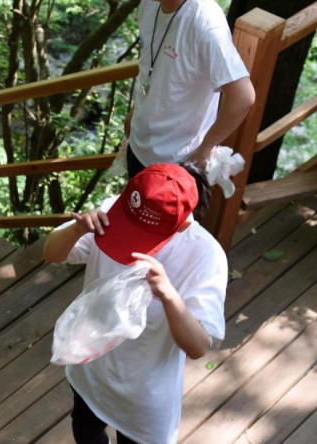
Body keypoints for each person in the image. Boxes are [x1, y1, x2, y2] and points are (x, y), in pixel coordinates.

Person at [43, 163, 227, 443]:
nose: (133, 241)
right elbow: (52, 254)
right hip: (90, 369)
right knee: (86, 431)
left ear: (184, 220)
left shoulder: (205, 255)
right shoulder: (117, 211)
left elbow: (198, 346)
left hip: (143, 398)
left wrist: (168, 294)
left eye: (146, 233)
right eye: (131, 226)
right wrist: (77, 230)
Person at [122, 0, 255, 179]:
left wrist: (206, 148)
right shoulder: (151, 1)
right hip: (139, 147)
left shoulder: (206, 26)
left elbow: (243, 97)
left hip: (177, 163)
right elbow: (151, 63)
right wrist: (136, 114)